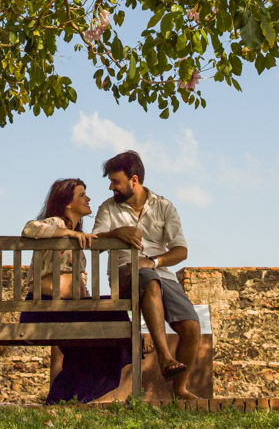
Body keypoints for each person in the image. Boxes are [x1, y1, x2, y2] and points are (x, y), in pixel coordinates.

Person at [91, 150, 201, 400]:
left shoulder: (164, 206)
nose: (111, 187)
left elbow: (181, 250)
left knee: (192, 327)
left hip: (160, 272)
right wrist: (118, 232)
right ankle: (165, 357)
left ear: (134, 180)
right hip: (125, 273)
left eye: (115, 181)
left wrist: (153, 261)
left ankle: (180, 389)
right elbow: (94, 240)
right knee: (148, 280)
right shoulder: (108, 208)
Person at [19, 178, 138, 404]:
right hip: (45, 308)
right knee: (108, 322)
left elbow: (78, 285)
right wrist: (70, 234)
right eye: (82, 195)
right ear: (67, 203)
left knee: (94, 339)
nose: (88, 198)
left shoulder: (74, 235)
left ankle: (61, 402)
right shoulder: (56, 223)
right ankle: (63, 400)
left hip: (69, 309)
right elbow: (29, 228)